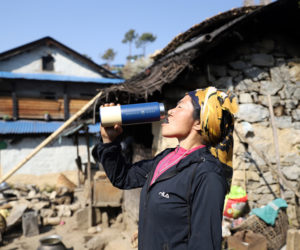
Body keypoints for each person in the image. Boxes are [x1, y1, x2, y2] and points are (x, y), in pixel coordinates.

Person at [92, 86, 238, 250]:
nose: (170, 112)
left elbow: (204, 244)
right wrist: (109, 142)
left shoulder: (207, 174)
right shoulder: (165, 159)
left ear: (198, 122)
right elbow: (123, 177)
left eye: (180, 106)